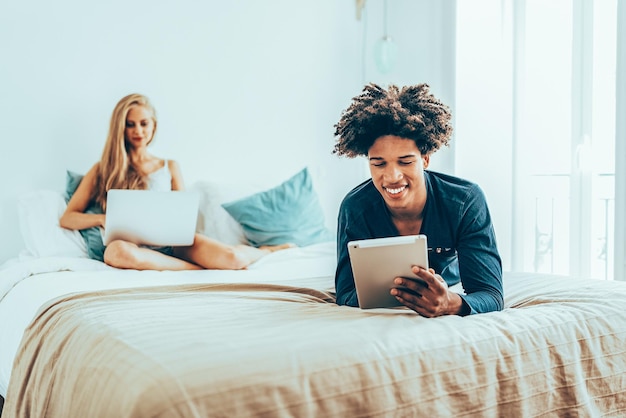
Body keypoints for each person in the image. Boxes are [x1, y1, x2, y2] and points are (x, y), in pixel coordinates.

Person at [60, 93, 292, 271]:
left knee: (233, 258)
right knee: (117, 253)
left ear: (154, 126)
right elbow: (68, 217)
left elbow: (184, 216)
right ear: (120, 128)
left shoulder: (169, 166)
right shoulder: (102, 169)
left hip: (174, 244)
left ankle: (266, 250)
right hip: (129, 246)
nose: (137, 131)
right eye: (130, 124)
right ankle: (195, 271)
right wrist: (103, 219)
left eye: (143, 123)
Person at [332, 83, 503, 317]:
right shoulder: (355, 208)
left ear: (425, 159)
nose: (392, 177)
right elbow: (346, 294)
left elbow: (490, 294)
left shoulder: (465, 202)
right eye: (379, 163)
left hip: (448, 284)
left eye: (405, 161)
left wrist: (449, 303)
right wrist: (402, 297)